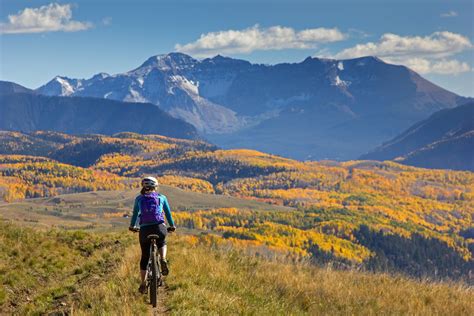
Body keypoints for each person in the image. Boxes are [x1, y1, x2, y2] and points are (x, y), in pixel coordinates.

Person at [129, 176, 176, 293]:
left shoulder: (139, 199)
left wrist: (132, 227)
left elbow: (135, 214)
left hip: (144, 230)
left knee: (145, 257)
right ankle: (163, 258)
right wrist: (172, 226)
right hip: (159, 227)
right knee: (162, 241)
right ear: (156, 186)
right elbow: (168, 214)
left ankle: (143, 283)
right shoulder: (162, 197)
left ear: (143, 187)